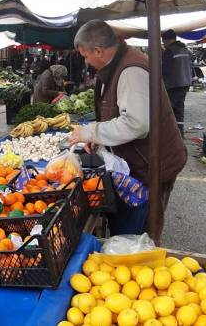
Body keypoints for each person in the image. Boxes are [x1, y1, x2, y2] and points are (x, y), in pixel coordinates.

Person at [68, 20, 186, 244]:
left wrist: (91, 132)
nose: (86, 61)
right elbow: (120, 111)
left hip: (153, 164)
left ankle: (141, 257)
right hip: (142, 161)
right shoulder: (116, 65)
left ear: (98, 51)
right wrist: (101, 140)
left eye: (86, 56)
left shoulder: (131, 70)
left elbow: (136, 123)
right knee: (135, 226)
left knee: (144, 230)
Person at [161, 29, 193, 135]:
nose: (163, 44)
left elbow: (165, 70)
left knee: (167, 111)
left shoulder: (169, 51)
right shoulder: (185, 50)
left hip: (173, 85)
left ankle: (168, 135)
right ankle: (180, 133)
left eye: (163, 41)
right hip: (185, 84)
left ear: (167, 40)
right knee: (179, 110)